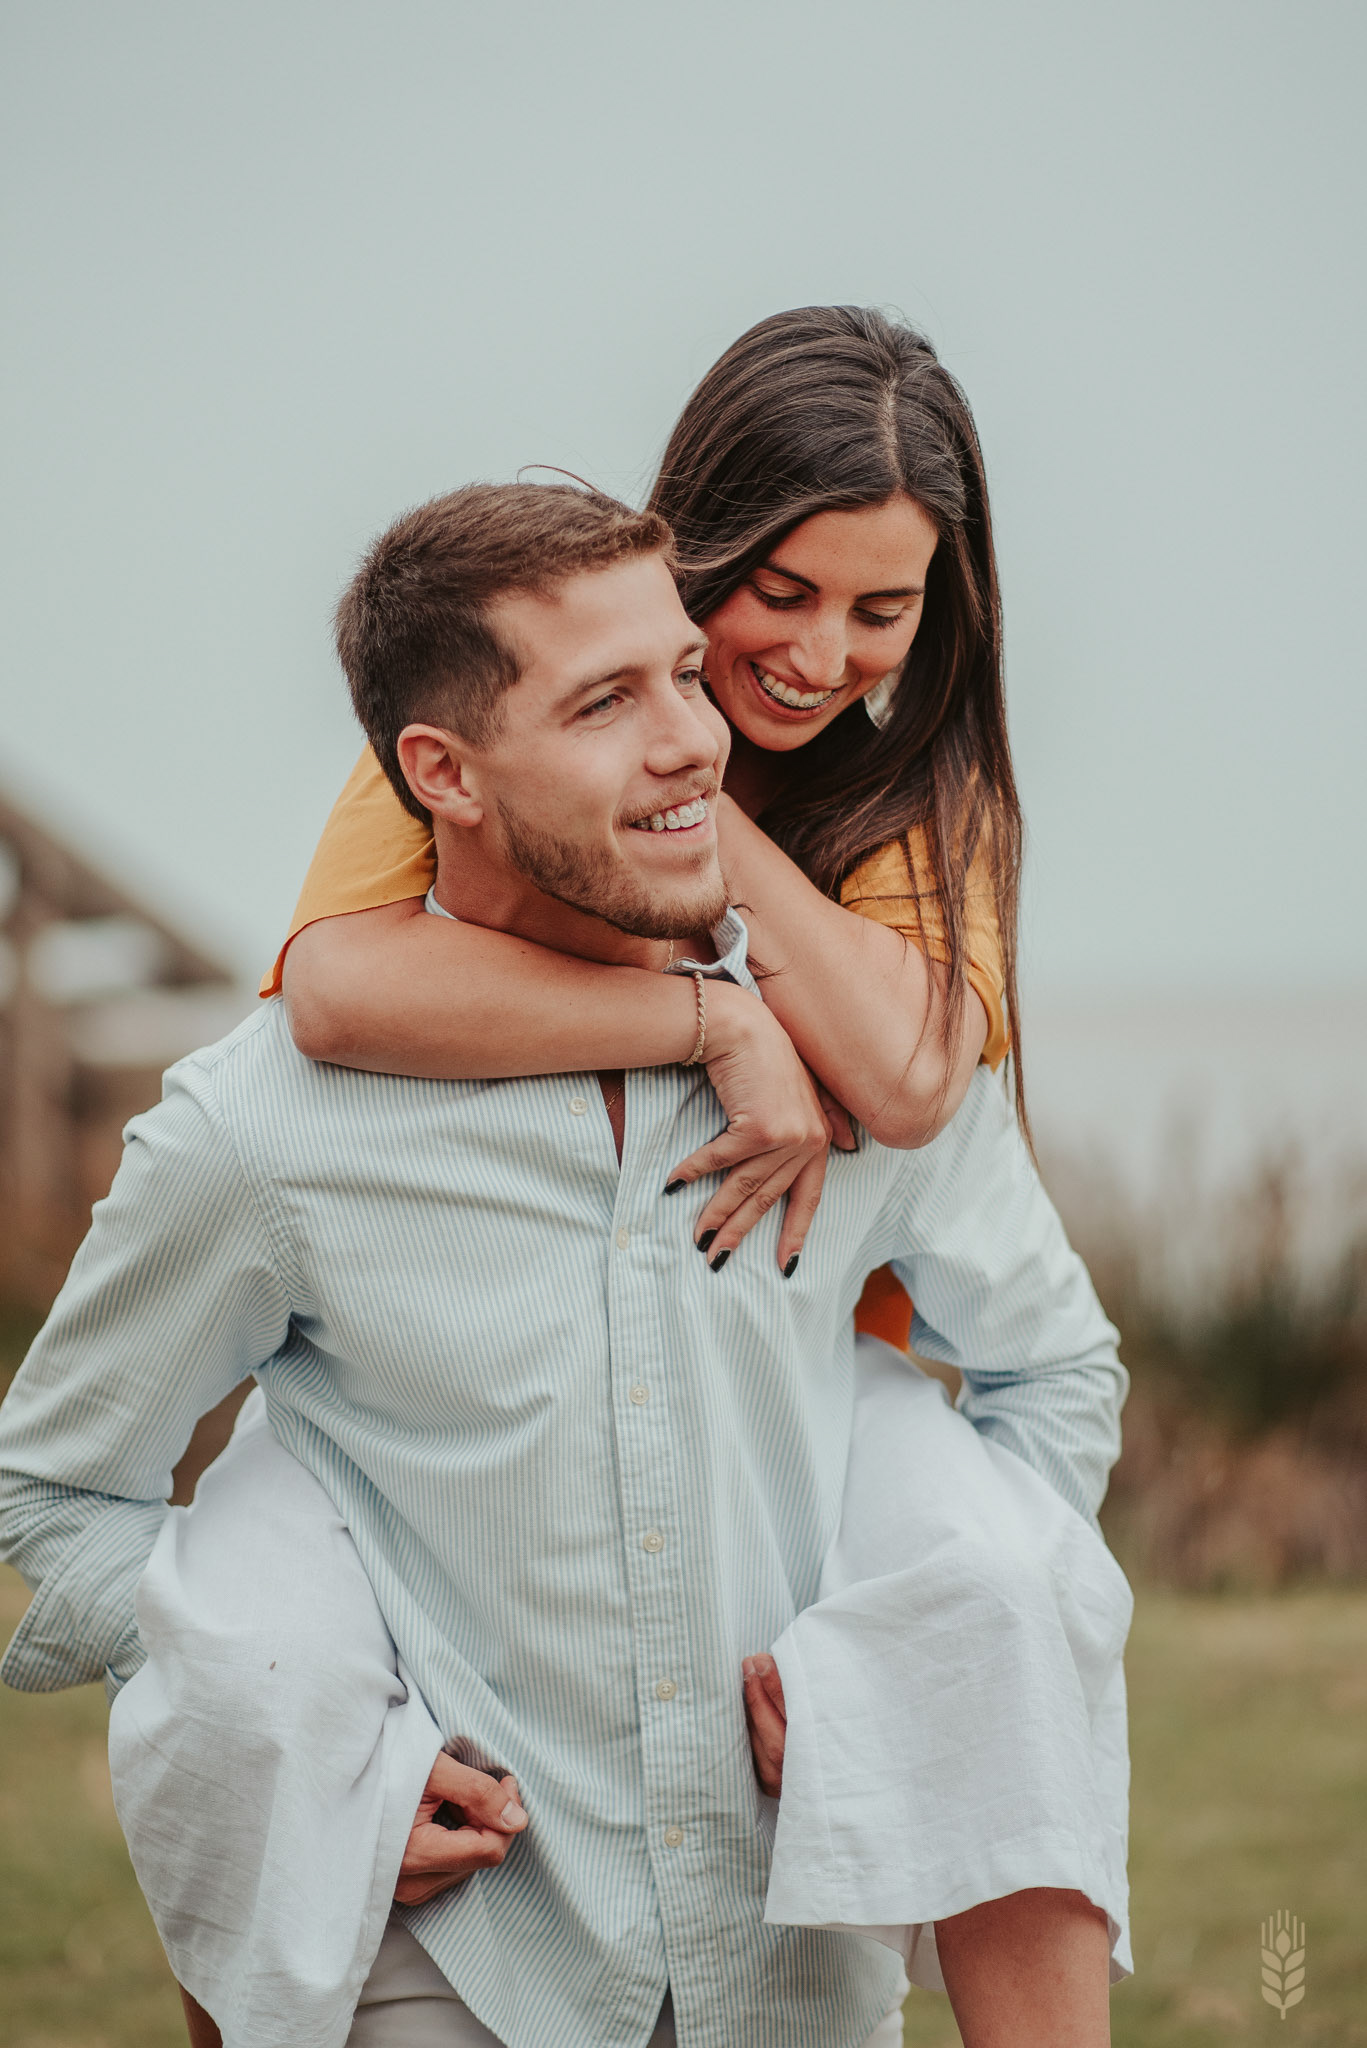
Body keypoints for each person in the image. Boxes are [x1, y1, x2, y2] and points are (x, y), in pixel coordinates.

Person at [0, 481, 1128, 2048]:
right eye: (607, 702)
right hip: (448, 1968)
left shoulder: (857, 1065)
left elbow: (1054, 1377)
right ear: (439, 775)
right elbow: (55, 1494)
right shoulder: (263, 1130)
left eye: (683, 673)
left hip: (789, 1965)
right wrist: (300, 1761)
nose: (697, 744)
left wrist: (904, 1678)